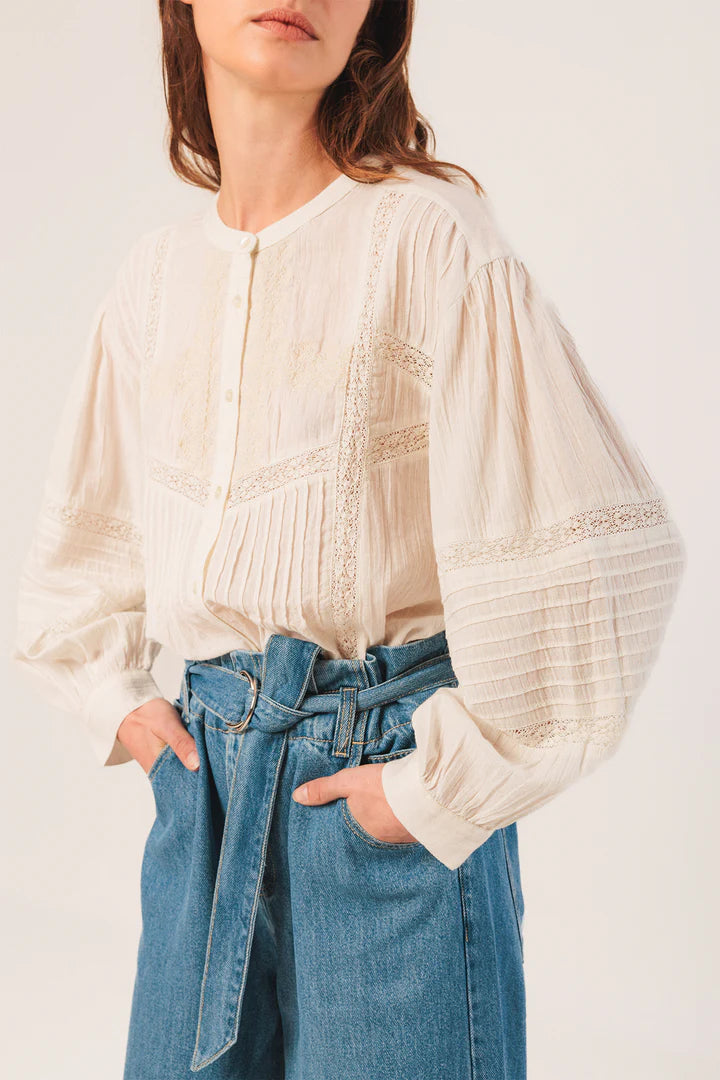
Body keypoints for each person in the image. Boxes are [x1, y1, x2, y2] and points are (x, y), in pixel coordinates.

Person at [10, 2, 687, 1078]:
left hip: (379, 799)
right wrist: (122, 707)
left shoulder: (431, 237)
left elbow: (605, 554)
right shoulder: (154, 279)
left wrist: (432, 793)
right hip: (205, 798)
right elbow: (78, 562)